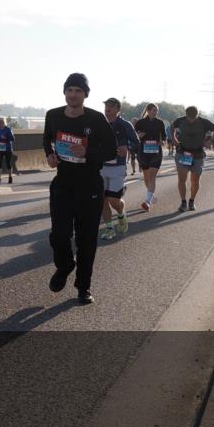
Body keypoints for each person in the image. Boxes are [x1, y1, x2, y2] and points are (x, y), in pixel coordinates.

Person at [42, 73, 117, 305]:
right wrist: (50, 155)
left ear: (85, 94)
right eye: (69, 90)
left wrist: (89, 153)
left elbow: (111, 150)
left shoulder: (95, 119)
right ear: (65, 92)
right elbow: (47, 139)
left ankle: (83, 287)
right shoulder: (53, 115)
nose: (73, 94)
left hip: (89, 186)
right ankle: (64, 266)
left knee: (86, 240)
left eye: (78, 91)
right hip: (63, 184)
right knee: (59, 235)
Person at [100, 98, 138, 240]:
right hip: (101, 166)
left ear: (118, 109)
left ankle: (121, 215)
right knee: (102, 199)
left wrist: (127, 148)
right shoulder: (100, 124)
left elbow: (136, 143)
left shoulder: (125, 125)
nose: (107, 109)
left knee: (113, 200)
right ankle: (109, 228)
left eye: (111, 106)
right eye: (106, 106)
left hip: (118, 167)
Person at [171, 106, 214, 211]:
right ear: (186, 115)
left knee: (195, 180)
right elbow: (172, 126)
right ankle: (183, 202)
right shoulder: (181, 120)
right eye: (189, 118)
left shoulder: (204, 122)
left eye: (193, 118)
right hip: (183, 153)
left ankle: (192, 201)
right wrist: (173, 138)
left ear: (197, 115)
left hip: (197, 154)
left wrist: (211, 141)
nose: (191, 120)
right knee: (182, 179)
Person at [134, 103, 166, 211]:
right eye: (153, 110)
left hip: (156, 152)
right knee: (147, 177)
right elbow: (133, 135)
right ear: (147, 110)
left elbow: (164, 137)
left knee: (152, 176)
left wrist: (162, 141)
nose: (156, 112)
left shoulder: (160, 122)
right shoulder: (140, 122)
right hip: (143, 152)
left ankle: (147, 202)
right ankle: (151, 196)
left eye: (157, 110)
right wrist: (138, 136)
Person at [0, 117, 15, 184]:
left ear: (4, 122)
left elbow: (12, 138)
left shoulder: (8, 129)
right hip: (0, 148)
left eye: (2, 122)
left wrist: (5, 138)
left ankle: (10, 177)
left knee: (8, 163)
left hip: (8, 148)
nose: (0, 123)